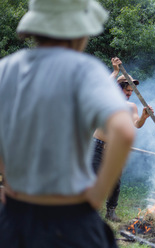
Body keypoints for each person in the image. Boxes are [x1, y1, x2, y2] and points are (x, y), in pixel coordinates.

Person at [0, 1, 135, 247]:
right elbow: (125, 132)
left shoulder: (6, 68)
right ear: (79, 32)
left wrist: (6, 176)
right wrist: (97, 194)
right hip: (70, 220)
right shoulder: (84, 70)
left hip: (15, 216)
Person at [92, 57, 154, 222]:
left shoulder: (130, 107)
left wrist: (144, 117)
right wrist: (115, 71)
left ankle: (111, 212)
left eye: (131, 92)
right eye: (127, 91)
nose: (129, 94)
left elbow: (137, 124)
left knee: (115, 182)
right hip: (98, 146)